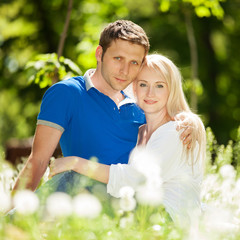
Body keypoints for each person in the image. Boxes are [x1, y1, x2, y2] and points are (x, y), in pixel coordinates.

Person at [12, 20, 194, 196]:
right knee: (71, 177)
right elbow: (38, 160)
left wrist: (191, 122)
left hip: (128, 205)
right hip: (79, 198)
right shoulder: (68, 93)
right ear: (99, 54)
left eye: (134, 62)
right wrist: (10, 215)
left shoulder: (143, 102)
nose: (125, 70)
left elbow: (168, 130)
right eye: (118, 58)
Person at [49, 54, 206, 224]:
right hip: (144, 211)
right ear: (135, 88)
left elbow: (135, 179)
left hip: (166, 219)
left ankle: (18, 221)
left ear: (172, 90)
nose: (150, 93)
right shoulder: (143, 131)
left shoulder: (177, 130)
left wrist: (75, 162)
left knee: (75, 179)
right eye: (143, 84)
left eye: (159, 86)